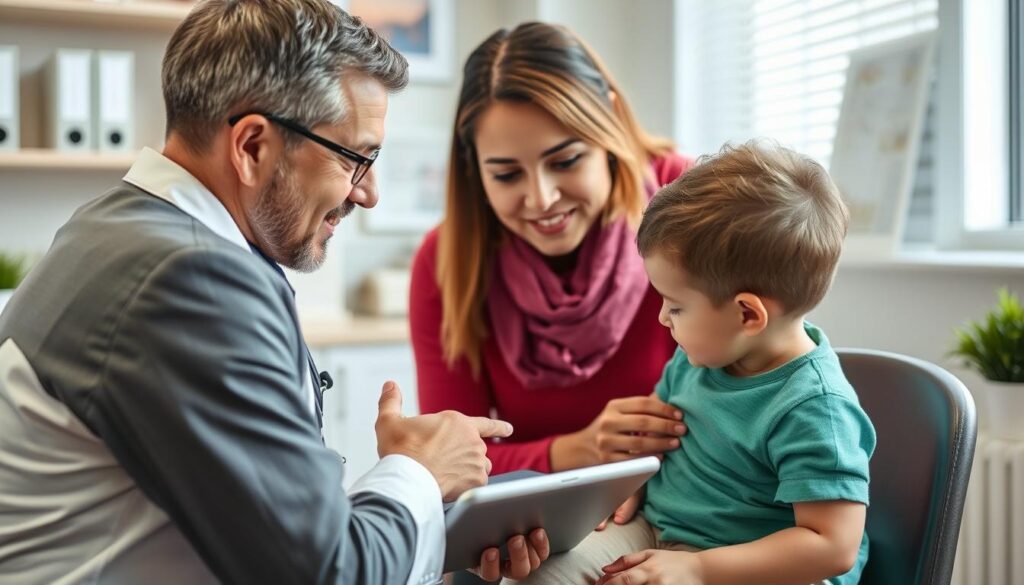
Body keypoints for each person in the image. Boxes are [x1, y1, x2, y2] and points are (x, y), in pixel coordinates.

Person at [0, 1, 547, 583]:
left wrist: (420, 500)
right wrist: (418, 472)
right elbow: (331, 575)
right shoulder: (191, 282)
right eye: (355, 159)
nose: (369, 195)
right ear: (253, 147)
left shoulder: (117, 227)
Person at [509, 141, 878, 585]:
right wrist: (629, 486)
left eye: (676, 306)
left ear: (747, 315)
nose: (663, 317)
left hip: (753, 567)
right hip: (660, 531)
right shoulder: (697, 357)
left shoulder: (816, 408)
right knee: (540, 575)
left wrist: (699, 568)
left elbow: (831, 546)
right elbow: (653, 442)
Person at [410, 22, 692, 480]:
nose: (541, 199)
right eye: (506, 175)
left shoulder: (687, 198)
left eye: (565, 161)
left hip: (701, 496)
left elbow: (766, 374)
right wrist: (578, 450)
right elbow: (450, 461)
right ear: (474, 170)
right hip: (546, 518)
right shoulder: (445, 261)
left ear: (611, 124)